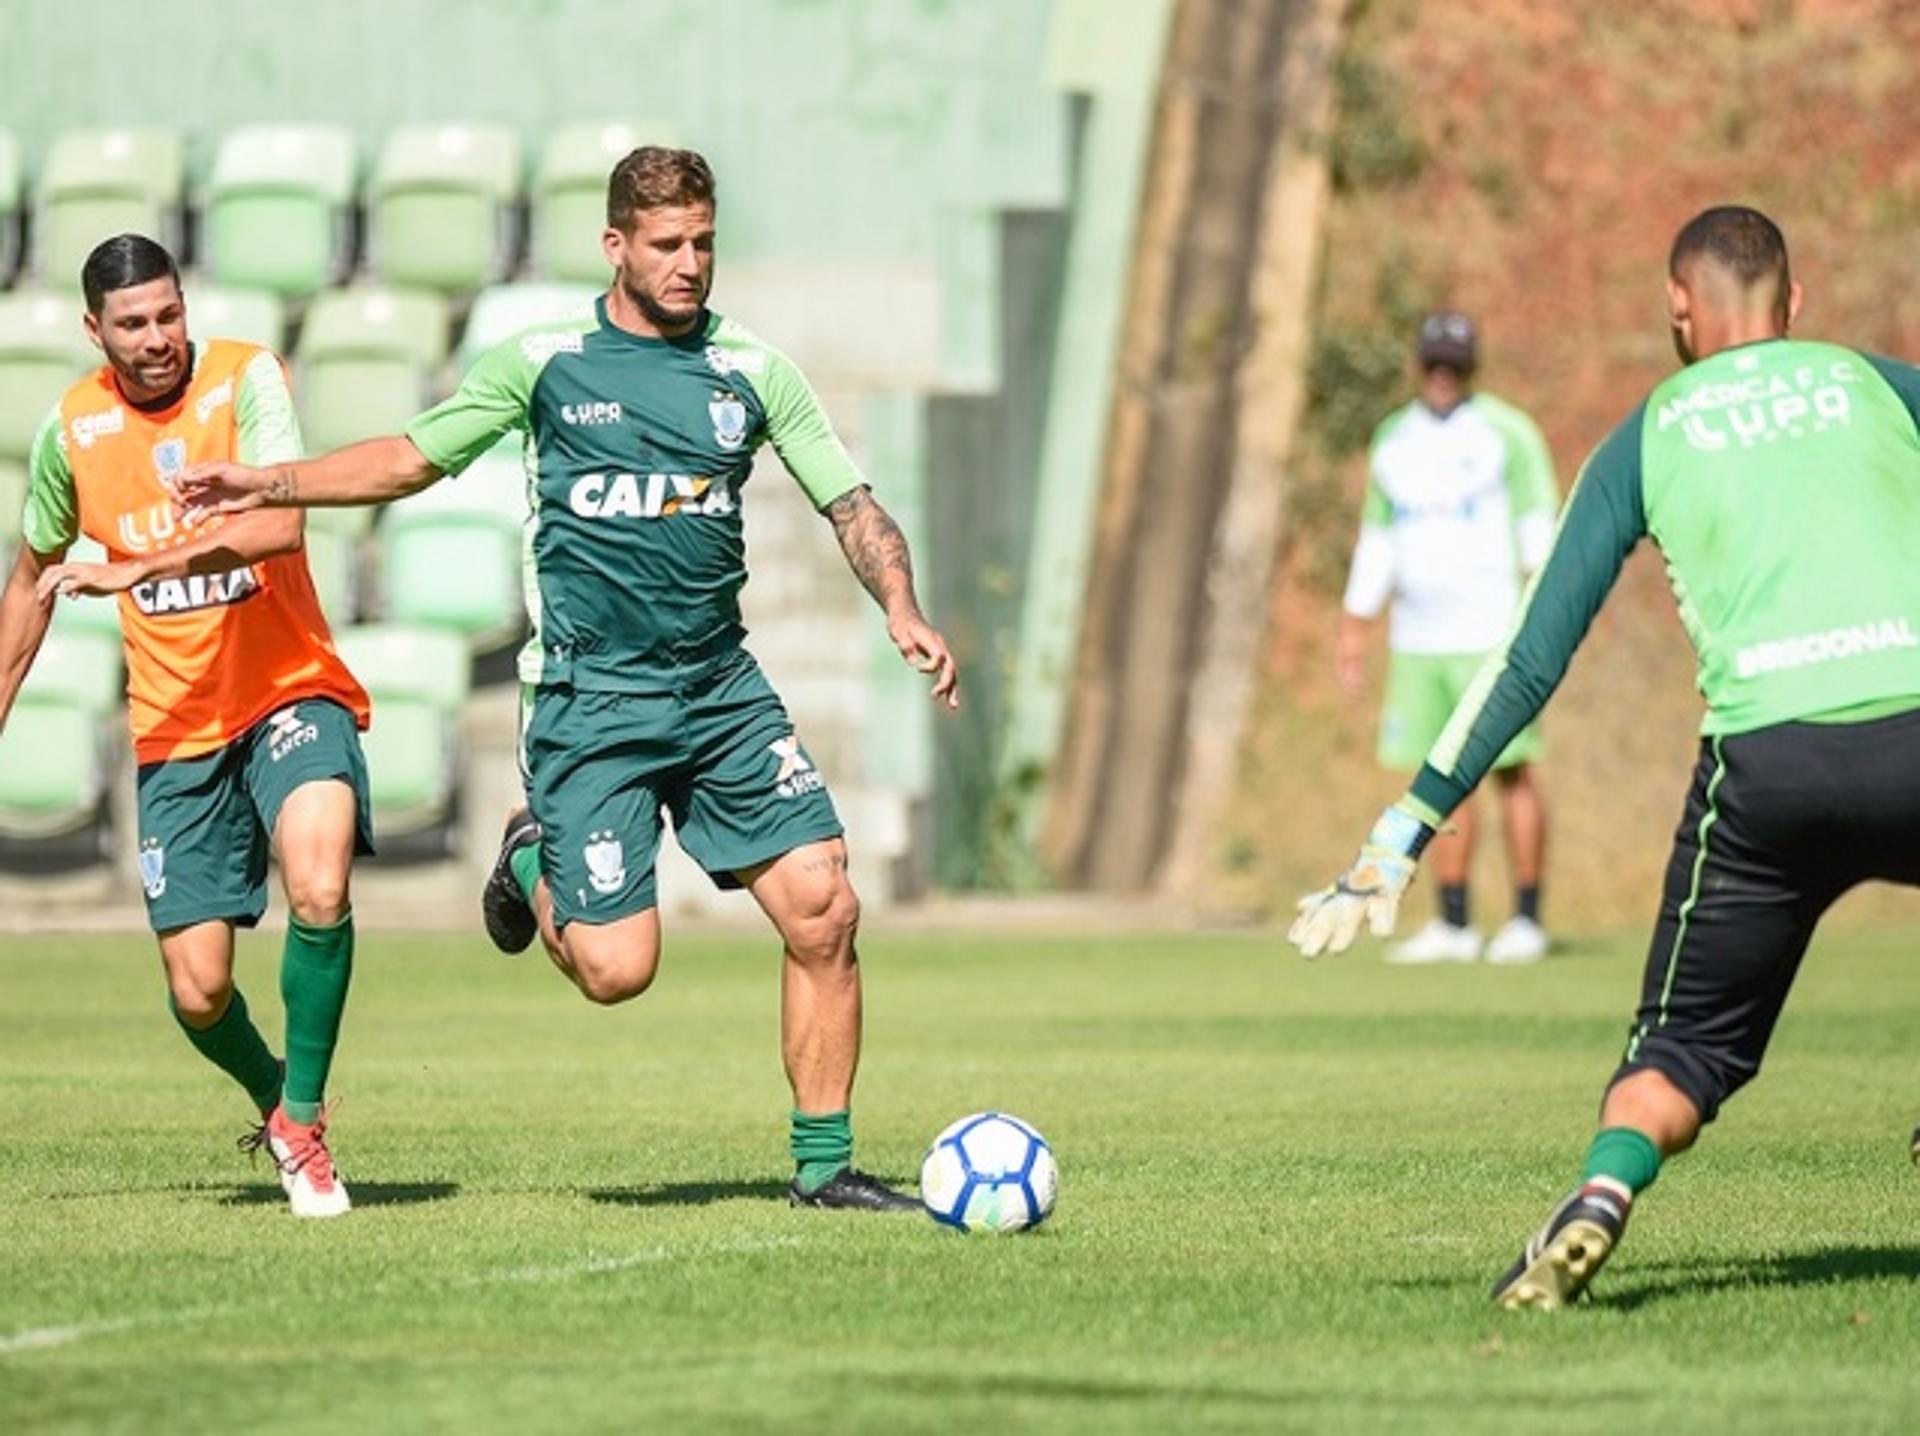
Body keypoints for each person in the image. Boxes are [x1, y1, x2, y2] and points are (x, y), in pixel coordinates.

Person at [177, 146, 959, 1212]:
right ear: (616, 246)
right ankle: (530, 853)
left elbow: (851, 505)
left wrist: (902, 607)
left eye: (704, 244)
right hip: (592, 702)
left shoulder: (755, 370)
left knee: (824, 908)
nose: (690, 266)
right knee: (615, 969)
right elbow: (412, 457)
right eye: (668, 245)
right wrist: (270, 480)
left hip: (720, 689)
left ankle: (824, 1168)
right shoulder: (543, 362)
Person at [1289, 204, 1920, 1307]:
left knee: (1679, 1051)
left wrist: (1403, 830)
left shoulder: (1651, 431)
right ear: (1797, 300)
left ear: (1679, 310)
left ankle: (1600, 1195)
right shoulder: (1882, 386)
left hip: (1766, 773)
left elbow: (1532, 656)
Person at [0, 235, 372, 1218]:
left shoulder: (249, 377)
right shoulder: (71, 430)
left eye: (169, 313)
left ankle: (305, 1118)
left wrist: (138, 568)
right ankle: (273, 1095)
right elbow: (34, 574)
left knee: (320, 877)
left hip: (290, 687)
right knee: (200, 990)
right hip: (176, 726)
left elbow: (277, 522)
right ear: (95, 330)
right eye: (134, 322)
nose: (159, 336)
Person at [1336, 311, 1558, 964]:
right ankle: (1455, 923)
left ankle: (1526, 919)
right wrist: (1356, 623)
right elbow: (1378, 538)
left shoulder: (1506, 433)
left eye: (1454, 365)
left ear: (1471, 369)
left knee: (1512, 771)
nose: (1442, 376)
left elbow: (1536, 528)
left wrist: (1546, 618)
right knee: (1433, 781)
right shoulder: (1393, 440)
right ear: (1418, 364)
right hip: (1418, 639)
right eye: (1434, 363)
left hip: (1490, 634)